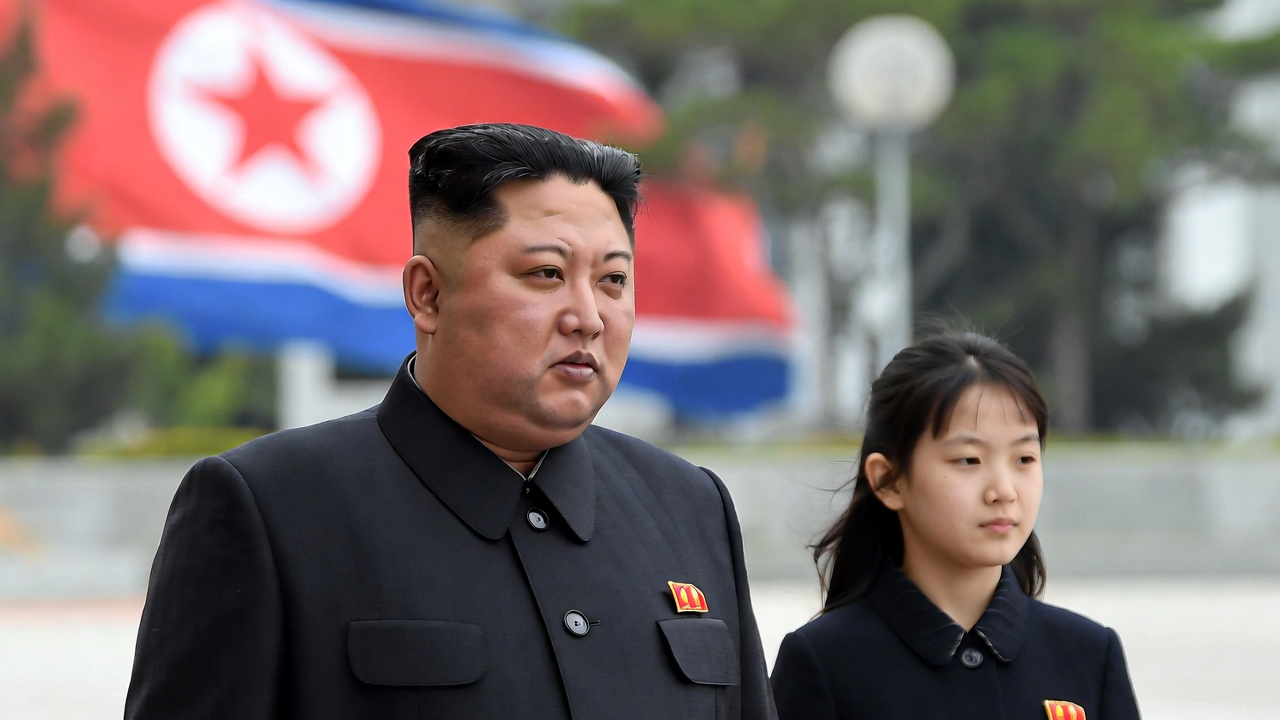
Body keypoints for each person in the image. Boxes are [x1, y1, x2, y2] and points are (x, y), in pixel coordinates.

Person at [125, 123, 776, 720]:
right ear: (427, 294)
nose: (589, 316)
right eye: (546, 274)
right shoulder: (270, 509)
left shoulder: (690, 507)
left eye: (612, 280)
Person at [770, 332, 1140, 720]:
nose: (1003, 490)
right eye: (968, 460)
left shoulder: (1090, 656)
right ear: (888, 481)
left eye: (1025, 458)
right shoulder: (824, 663)